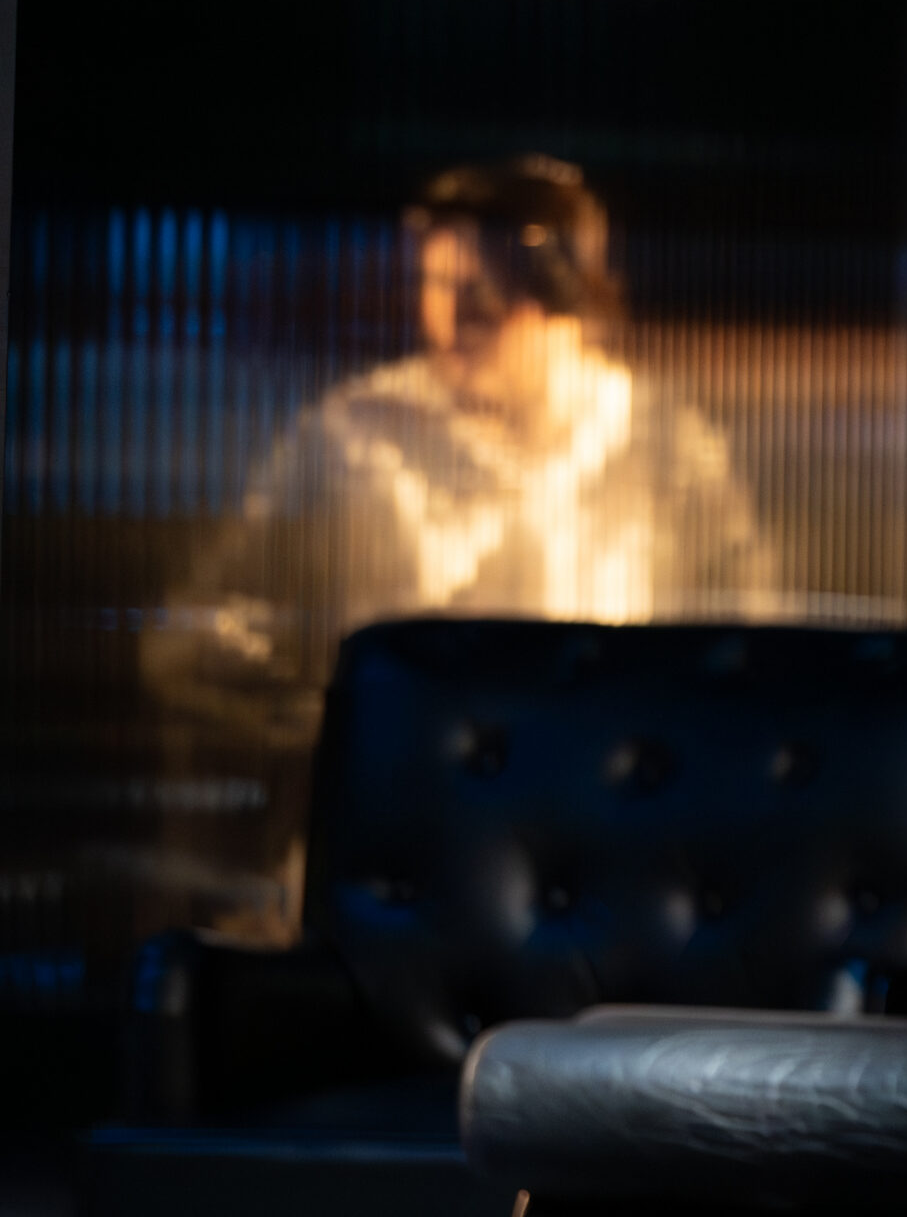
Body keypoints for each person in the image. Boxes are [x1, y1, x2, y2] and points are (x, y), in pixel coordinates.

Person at [138, 155, 773, 939]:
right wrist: (334, 726)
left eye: (481, 293)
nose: (446, 321)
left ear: (563, 298)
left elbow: (750, 652)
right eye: (435, 285)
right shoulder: (356, 440)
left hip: (608, 867)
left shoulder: (667, 452)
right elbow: (196, 635)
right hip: (407, 860)